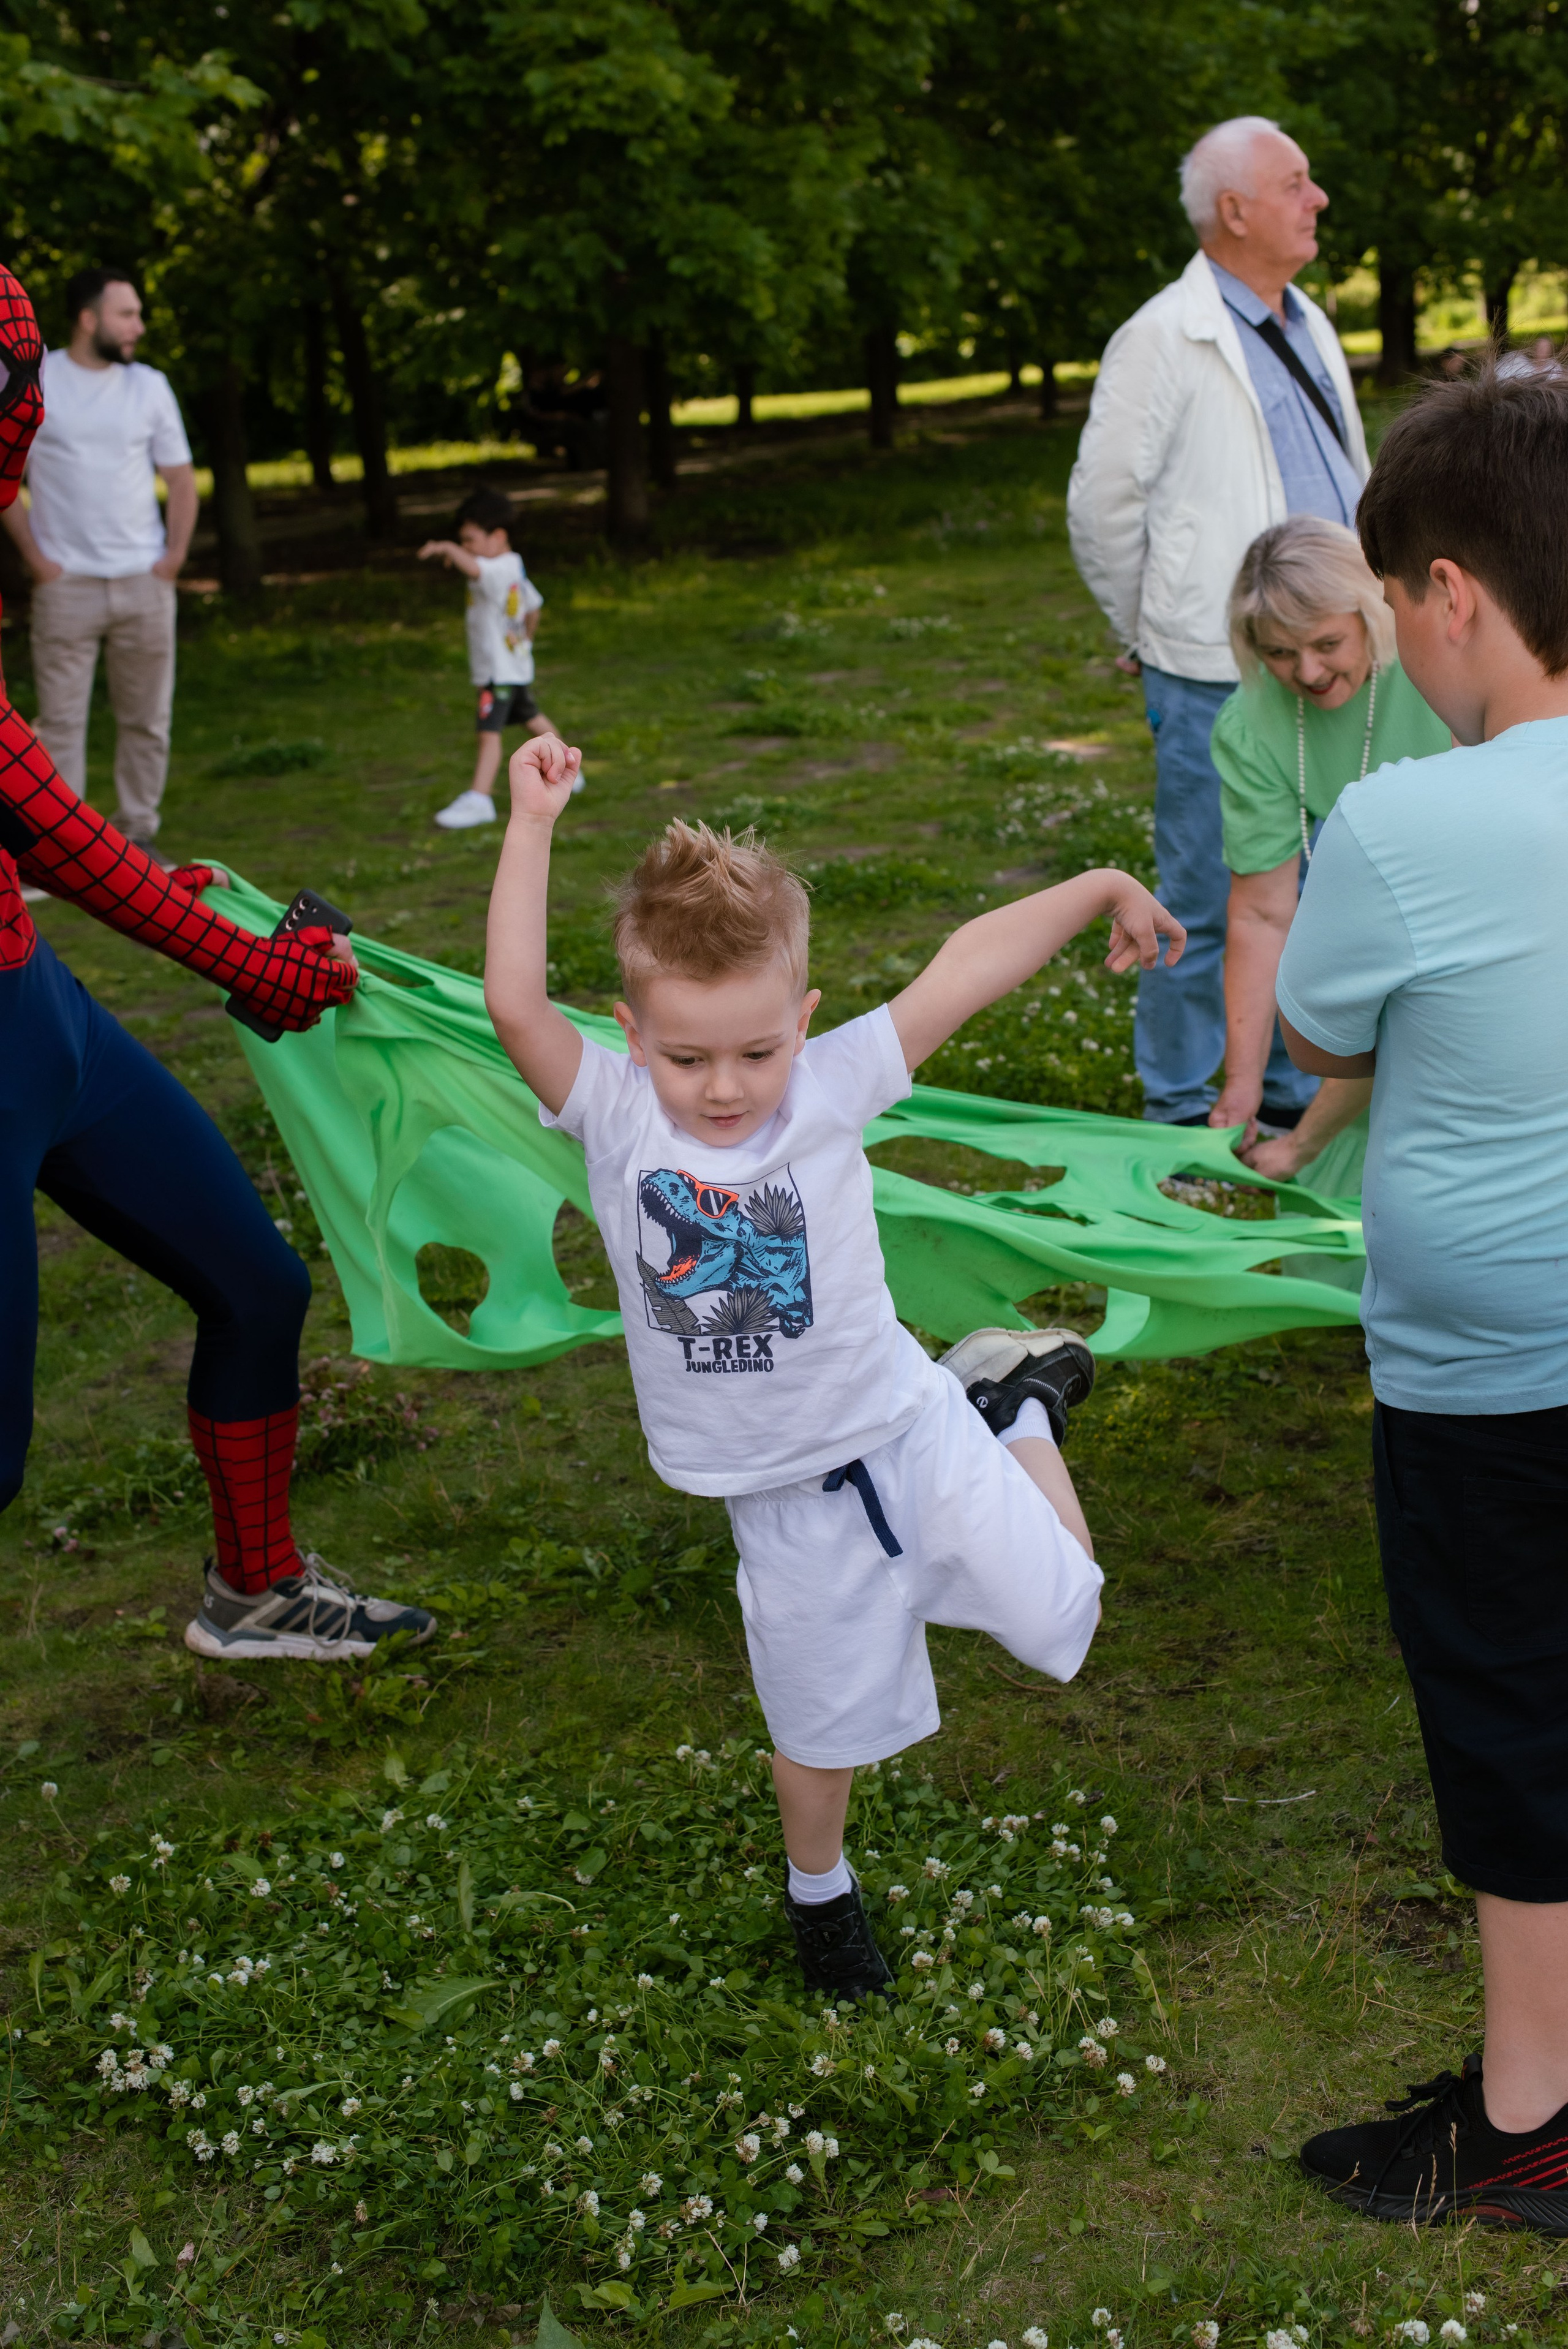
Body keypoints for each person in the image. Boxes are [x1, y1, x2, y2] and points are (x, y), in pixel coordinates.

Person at [485, 750, 1185, 1999]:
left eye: (753, 1052)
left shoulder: (828, 1085)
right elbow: (514, 1007)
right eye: (687, 1057)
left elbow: (961, 967)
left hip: (905, 1426)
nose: (723, 1088)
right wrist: (531, 820)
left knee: (1063, 1609)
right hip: (784, 1495)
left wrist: (1095, 884)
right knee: (819, 1726)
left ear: (801, 1021)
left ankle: (1013, 1404)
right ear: (631, 1030)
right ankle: (821, 1895)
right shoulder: (611, 1111)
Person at [0, 258, 434, 1667]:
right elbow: (45, 807)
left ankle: (254, 1589)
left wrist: (204, 917)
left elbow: (36, 827)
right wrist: (262, 961)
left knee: (255, 1283)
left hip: (41, 1021)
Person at [1280, 368, 1568, 2227]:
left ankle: (1533, 2121)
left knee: (1507, 1714)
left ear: (1450, 590)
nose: (1392, 648)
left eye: (1391, 608)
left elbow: (1317, 1025)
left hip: (1483, 1389)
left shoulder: (1401, 820)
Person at [1067, 116, 1368, 1129]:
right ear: (1235, 211)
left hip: (1336, 659)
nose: (1317, 197)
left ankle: (1289, 1089)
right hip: (1216, 669)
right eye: (1296, 183)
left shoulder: (1307, 321)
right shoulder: (1162, 335)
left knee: (1317, 884)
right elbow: (1103, 505)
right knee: (1203, 897)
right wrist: (1153, 630)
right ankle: (1182, 1110)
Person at [1206, 517, 1449, 1190]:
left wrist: (1302, 1142)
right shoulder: (1251, 726)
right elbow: (1261, 915)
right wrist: (1242, 1083)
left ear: (1369, 610)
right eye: (1279, 653)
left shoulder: (1440, 667)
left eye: (1326, 643)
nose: (1306, 672)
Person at [0, 269, 197, 863]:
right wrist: (36, 559)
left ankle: (138, 837)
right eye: (127, 314)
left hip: (144, 582)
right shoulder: (41, 380)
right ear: (89, 319)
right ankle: (60, 859)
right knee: (58, 727)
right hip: (67, 587)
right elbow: (7, 474)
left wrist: (173, 558)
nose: (138, 326)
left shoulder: (150, 387)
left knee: (147, 720)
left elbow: (181, 478)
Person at [418, 486, 567, 830]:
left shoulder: (497, 569)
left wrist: (447, 548)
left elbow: (474, 570)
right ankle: (569, 767)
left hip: (498, 671)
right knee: (532, 717)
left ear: (498, 536)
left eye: (470, 540)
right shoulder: (513, 565)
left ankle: (479, 799)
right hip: (510, 666)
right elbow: (534, 605)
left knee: (489, 732)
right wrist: (525, 642)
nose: (466, 548)